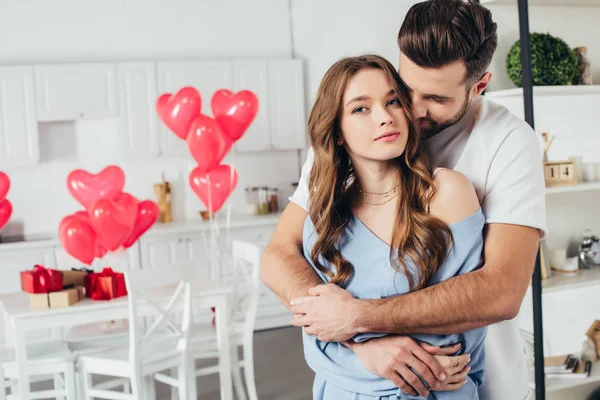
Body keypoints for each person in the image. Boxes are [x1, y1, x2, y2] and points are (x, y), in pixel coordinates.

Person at [260, 0, 546, 399]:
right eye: (404, 90)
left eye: (436, 99)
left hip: (454, 373)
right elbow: (278, 253)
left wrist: (356, 317)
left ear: (478, 86)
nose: (408, 110)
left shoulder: (508, 143)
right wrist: (355, 345)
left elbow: (500, 290)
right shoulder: (347, 146)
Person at [300, 53, 486, 399]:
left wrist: (352, 348)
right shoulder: (325, 219)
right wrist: (365, 354)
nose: (385, 117)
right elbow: (316, 340)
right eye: (361, 108)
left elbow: (456, 338)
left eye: (392, 101)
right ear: (337, 131)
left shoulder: (446, 193)